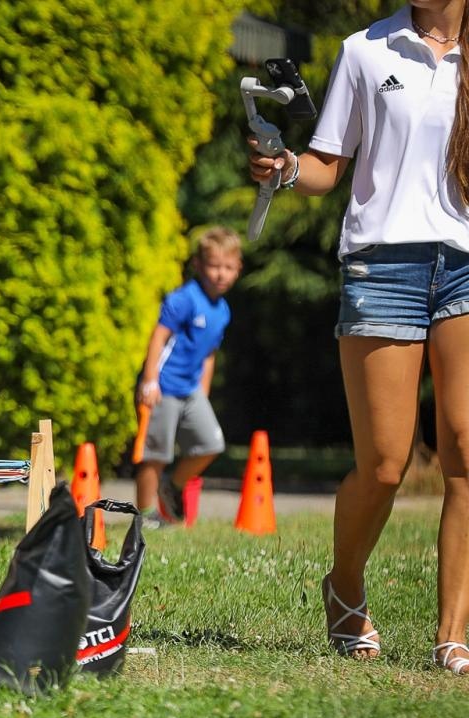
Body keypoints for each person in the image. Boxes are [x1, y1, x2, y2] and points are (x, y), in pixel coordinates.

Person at [249, 0, 469, 673]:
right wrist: (287, 169)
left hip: (465, 266)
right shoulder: (365, 51)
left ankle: (453, 635)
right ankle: (345, 583)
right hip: (383, 266)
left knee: (466, 447)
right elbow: (325, 167)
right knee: (384, 464)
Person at [134, 226, 242, 526]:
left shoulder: (223, 310)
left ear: (238, 269)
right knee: (155, 454)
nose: (221, 274)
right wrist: (150, 380)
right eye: (215, 266)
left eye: (228, 267)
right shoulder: (184, 299)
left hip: (191, 390)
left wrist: (203, 392)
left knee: (211, 444)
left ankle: (172, 486)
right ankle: (144, 516)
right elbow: (158, 337)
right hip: (163, 386)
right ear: (198, 265)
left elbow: (209, 353)